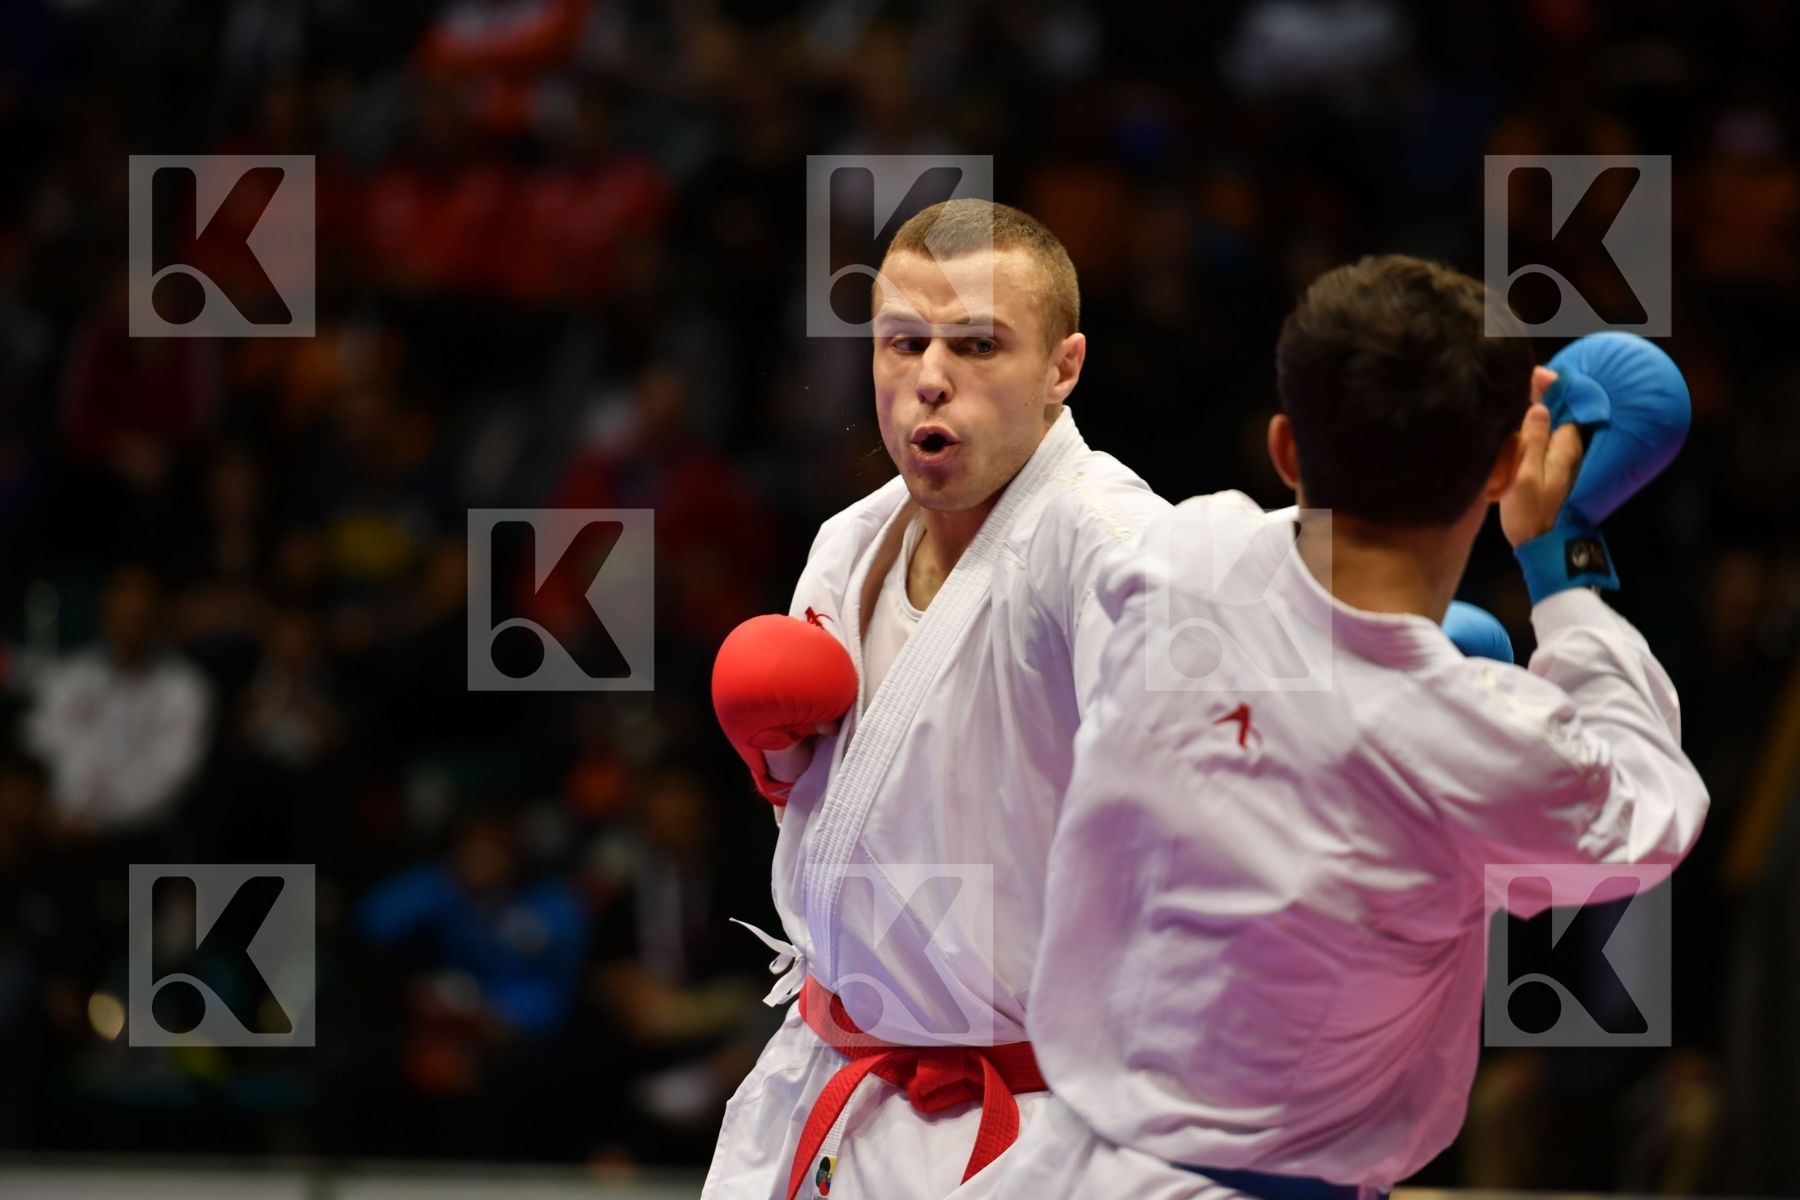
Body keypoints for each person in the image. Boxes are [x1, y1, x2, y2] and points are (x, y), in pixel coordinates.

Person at [992, 255, 1710, 1200]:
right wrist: (1560, 557)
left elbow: (1298, 571)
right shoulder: (1477, 743)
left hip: (1048, 1168)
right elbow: (1648, 807)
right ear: (1500, 468)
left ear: (1287, 450)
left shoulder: (1179, 562)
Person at [705, 198, 1168, 1200]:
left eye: (977, 344)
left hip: (1041, 1126)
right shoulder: (846, 545)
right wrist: (780, 767)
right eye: (902, 341)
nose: (928, 376)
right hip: (836, 1081)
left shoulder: (1114, 552)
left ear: (1064, 368)